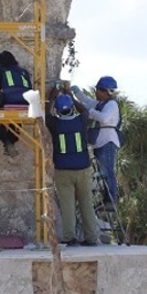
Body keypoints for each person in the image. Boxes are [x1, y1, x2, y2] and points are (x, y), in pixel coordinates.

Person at [45, 88, 100, 246]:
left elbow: (47, 115)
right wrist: (70, 95)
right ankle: (91, 237)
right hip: (83, 168)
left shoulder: (55, 124)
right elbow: (85, 111)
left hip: (63, 170)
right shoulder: (81, 121)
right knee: (86, 203)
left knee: (67, 205)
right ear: (72, 108)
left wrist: (51, 97)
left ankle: (69, 237)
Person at [76, 75, 122, 206]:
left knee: (107, 171)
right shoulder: (102, 103)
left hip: (107, 141)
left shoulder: (111, 104)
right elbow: (88, 101)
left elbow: (104, 118)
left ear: (104, 91)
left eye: (97, 90)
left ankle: (111, 200)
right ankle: (106, 199)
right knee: (103, 173)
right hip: (100, 141)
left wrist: (87, 110)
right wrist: (76, 93)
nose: (95, 92)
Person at [0, 51, 33, 157]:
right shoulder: (24, 72)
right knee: (16, 122)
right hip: (25, 105)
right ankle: (11, 142)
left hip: (8, 103)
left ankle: (7, 141)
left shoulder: (1, 72)